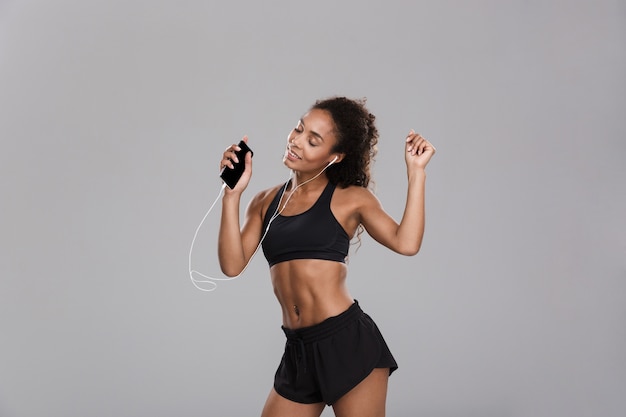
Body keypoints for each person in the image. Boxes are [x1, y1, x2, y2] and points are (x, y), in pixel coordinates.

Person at [217, 96, 435, 417]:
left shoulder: (351, 199)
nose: (296, 141)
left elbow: (407, 243)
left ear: (335, 156)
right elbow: (232, 266)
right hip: (299, 350)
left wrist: (416, 173)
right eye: (298, 129)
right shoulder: (264, 201)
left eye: (313, 140)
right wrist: (231, 196)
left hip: (346, 344)